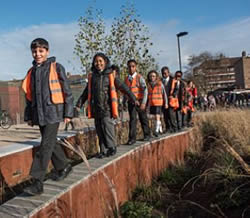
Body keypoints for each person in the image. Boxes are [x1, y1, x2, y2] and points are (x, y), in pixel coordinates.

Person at [22, 38, 74, 195]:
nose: (37, 54)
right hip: (39, 115)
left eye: (41, 51)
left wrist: (68, 113)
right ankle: (64, 166)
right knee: (51, 144)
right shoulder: (31, 72)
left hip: (53, 113)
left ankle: (37, 183)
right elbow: (29, 97)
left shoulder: (56, 67)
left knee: (45, 146)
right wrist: (30, 116)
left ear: (47, 51)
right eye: (34, 51)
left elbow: (67, 92)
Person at [76, 53, 137, 158]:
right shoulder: (92, 77)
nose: (98, 63)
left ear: (105, 62)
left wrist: (133, 98)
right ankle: (103, 150)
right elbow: (86, 93)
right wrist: (78, 104)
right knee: (99, 129)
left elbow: (124, 87)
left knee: (107, 127)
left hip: (107, 107)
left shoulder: (110, 75)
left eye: (100, 61)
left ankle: (112, 147)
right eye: (96, 61)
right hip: (96, 108)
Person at [124, 59, 151, 145]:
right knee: (132, 120)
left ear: (136, 67)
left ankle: (147, 134)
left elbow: (145, 90)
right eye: (129, 67)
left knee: (143, 118)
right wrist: (124, 101)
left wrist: (143, 102)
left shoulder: (139, 78)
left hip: (140, 102)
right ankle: (132, 138)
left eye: (133, 66)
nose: (131, 68)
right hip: (131, 102)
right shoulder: (126, 79)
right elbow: (125, 92)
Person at [147, 70, 168, 137]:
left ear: (156, 77)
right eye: (151, 76)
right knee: (154, 117)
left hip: (158, 102)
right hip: (152, 103)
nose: (152, 77)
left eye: (153, 76)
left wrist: (166, 103)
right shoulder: (148, 85)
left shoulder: (160, 84)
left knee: (157, 116)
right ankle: (160, 129)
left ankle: (156, 130)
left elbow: (164, 94)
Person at [161, 66, 174, 133]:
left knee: (171, 114)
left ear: (168, 73)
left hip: (171, 100)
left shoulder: (173, 81)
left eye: (165, 73)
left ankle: (173, 127)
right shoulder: (160, 81)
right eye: (163, 73)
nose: (164, 75)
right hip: (163, 101)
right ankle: (168, 127)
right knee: (165, 115)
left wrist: (173, 96)